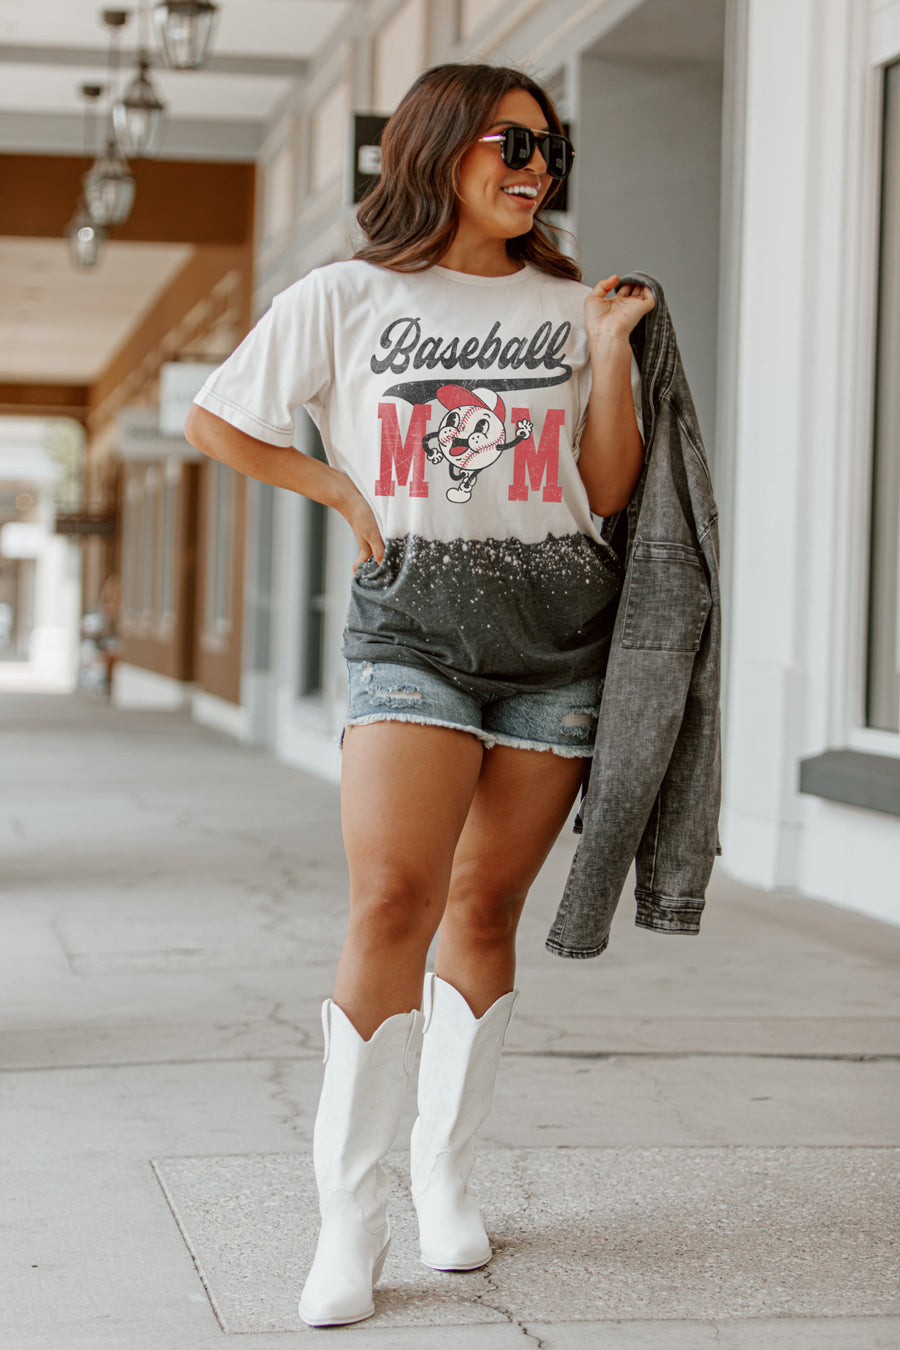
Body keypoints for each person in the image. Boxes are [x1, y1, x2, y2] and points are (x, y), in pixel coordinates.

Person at [184, 61, 655, 1328]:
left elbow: (608, 488)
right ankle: (349, 1223)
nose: (535, 167)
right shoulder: (345, 295)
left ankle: (446, 1177)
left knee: (485, 908)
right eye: (512, 142)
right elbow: (220, 419)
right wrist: (341, 489)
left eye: (550, 149)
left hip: (558, 637)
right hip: (412, 632)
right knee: (393, 898)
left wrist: (608, 352)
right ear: (439, 145)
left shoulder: (570, 305)